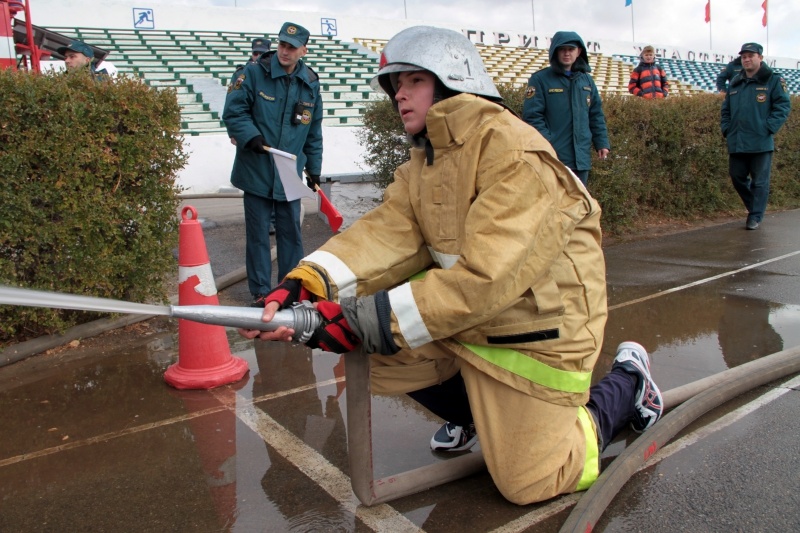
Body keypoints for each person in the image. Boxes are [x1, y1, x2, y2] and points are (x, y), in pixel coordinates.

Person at [238, 26, 663, 505]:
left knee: (532, 481)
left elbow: (486, 278)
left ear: (452, 81)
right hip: (478, 322)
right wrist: (308, 284)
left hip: (538, 335)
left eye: (412, 81)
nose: (399, 95)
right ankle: (480, 414)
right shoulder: (430, 158)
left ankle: (628, 385)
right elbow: (389, 232)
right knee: (370, 358)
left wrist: (362, 319)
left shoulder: (515, 154)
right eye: (395, 85)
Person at [223, 22, 323, 306]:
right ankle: (260, 292)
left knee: (291, 234)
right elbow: (234, 112)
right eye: (281, 45)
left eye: (292, 47)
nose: (285, 51)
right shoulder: (253, 74)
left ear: (304, 50)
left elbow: (313, 131)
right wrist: (250, 136)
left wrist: (313, 168)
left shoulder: (311, 84)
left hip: (289, 173)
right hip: (257, 169)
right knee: (257, 236)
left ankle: (289, 290)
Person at [522, 31, 610, 186]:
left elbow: (595, 114)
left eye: (571, 49)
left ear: (579, 52)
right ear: (555, 51)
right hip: (553, 158)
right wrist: (548, 145)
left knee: (578, 205)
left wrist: (601, 143)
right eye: (562, 49)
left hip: (581, 159)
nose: (567, 53)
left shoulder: (587, 81)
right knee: (553, 205)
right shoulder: (540, 79)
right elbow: (532, 117)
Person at [721, 42, 791, 231]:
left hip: (760, 140)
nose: (747, 59)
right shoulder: (735, 81)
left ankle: (755, 216)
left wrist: (768, 127)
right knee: (737, 177)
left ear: (760, 58)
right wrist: (726, 129)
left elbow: (783, 106)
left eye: (751, 55)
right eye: (744, 56)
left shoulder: (773, 80)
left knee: (760, 181)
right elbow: (726, 110)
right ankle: (755, 207)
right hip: (737, 140)